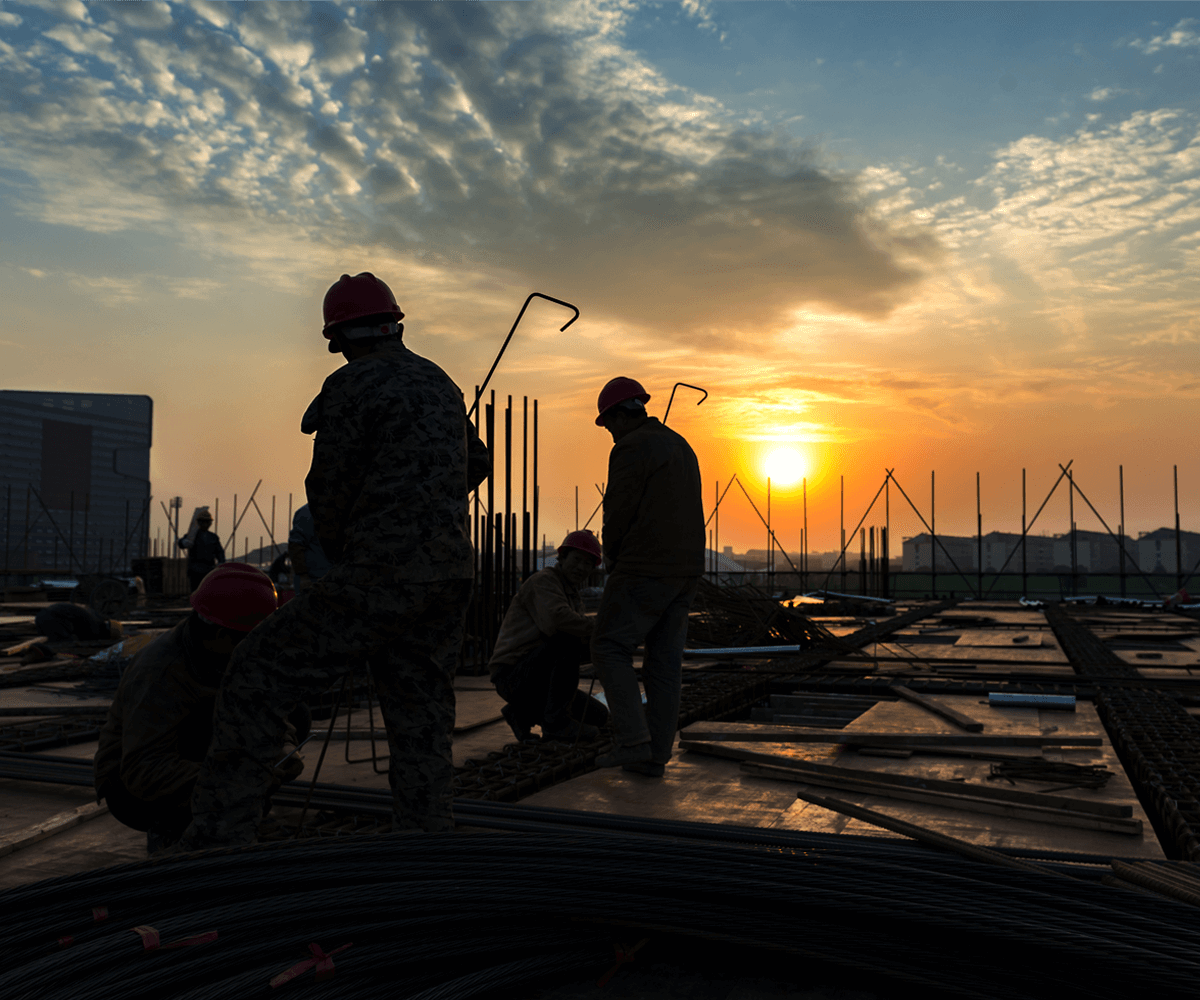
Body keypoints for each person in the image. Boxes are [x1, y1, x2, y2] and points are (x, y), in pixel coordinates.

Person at [172, 271, 490, 852]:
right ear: (394, 324)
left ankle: (217, 843)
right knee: (420, 711)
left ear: (338, 337)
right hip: (449, 577)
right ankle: (425, 842)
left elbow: (330, 495)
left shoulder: (351, 387)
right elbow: (477, 461)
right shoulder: (440, 382)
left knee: (257, 672)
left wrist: (351, 555)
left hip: (381, 575)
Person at [93, 564, 288, 853]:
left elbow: (273, 707)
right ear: (223, 634)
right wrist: (233, 779)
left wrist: (285, 747)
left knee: (287, 717)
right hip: (132, 788)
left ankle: (239, 812)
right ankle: (177, 832)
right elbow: (143, 771)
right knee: (205, 728)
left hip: (201, 766)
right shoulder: (162, 672)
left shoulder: (233, 652)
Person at [589, 378, 704, 777]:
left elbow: (618, 511)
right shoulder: (680, 444)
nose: (611, 435)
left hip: (645, 566)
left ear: (621, 415)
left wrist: (613, 559)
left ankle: (633, 742)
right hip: (686, 571)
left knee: (607, 645)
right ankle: (656, 753)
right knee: (665, 663)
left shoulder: (631, 447)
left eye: (609, 425)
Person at [488, 530, 609, 742]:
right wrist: (601, 628)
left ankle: (519, 712)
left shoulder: (571, 594)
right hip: (513, 675)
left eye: (588, 563)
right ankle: (556, 725)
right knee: (566, 638)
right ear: (562, 558)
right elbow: (557, 622)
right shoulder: (543, 582)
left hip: (537, 676)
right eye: (577, 560)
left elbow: (581, 640)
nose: (582, 567)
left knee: (598, 716)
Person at [22, 602, 123, 664]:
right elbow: (83, 644)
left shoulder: (93, 618)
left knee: (49, 643)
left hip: (41, 616)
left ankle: (33, 653)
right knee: (65, 646)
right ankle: (35, 655)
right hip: (52, 619)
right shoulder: (94, 627)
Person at [287, 503, 332, 591]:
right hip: (313, 582)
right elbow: (295, 546)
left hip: (329, 581)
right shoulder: (307, 513)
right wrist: (304, 577)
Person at [178, 510, 226, 593]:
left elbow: (219, 551)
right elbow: (181, 543)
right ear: (199, 523)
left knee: (208, 592)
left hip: (209, 569)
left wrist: (221, 562)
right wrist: (183, 542)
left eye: (207, 522)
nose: (205, 524)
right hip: (195, 570)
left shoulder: (213, 537)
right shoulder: (192, 536)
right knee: (196, 591)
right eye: (203, 522)